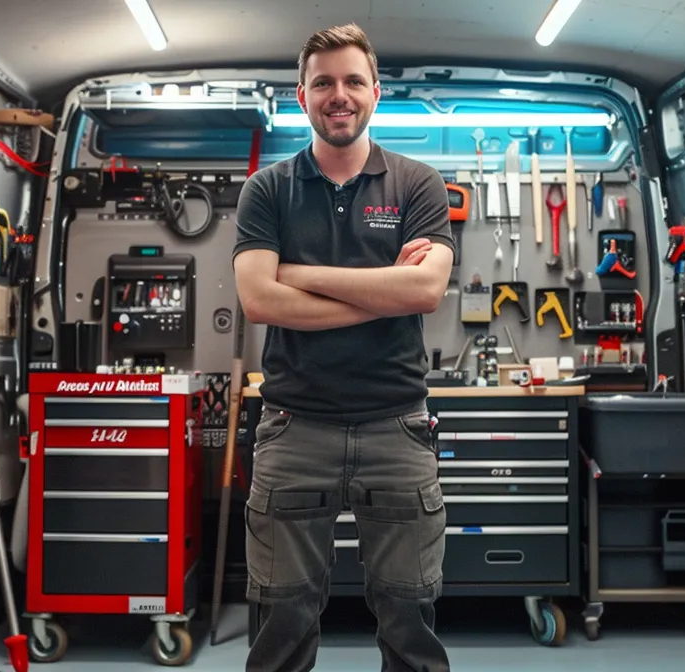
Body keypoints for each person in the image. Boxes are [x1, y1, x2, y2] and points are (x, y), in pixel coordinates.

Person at [231, 22, 456, 672]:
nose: (339, 94)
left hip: (397, 430)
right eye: (323, 82)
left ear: (375, 92)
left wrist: (298, 274)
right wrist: (383, 287)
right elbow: (258, 302)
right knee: (281, 621)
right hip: (294, 429)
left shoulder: (417, 184)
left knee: (410, 617)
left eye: (353, 80)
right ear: (301, 95)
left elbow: (425, 291)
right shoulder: (267, 189)